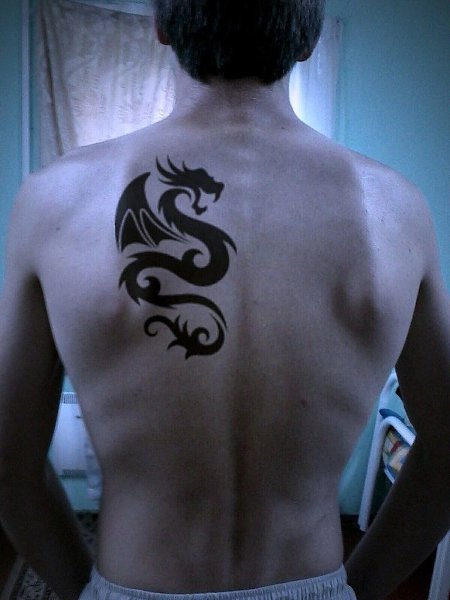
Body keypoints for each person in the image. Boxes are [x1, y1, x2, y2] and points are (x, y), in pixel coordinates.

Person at [0, 1, 449, 599]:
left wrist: (86, 591)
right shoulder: (396, 212)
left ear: (161, 26)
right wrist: (354, 589)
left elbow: (8, 468)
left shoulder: (55, 201)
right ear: (308, 39)